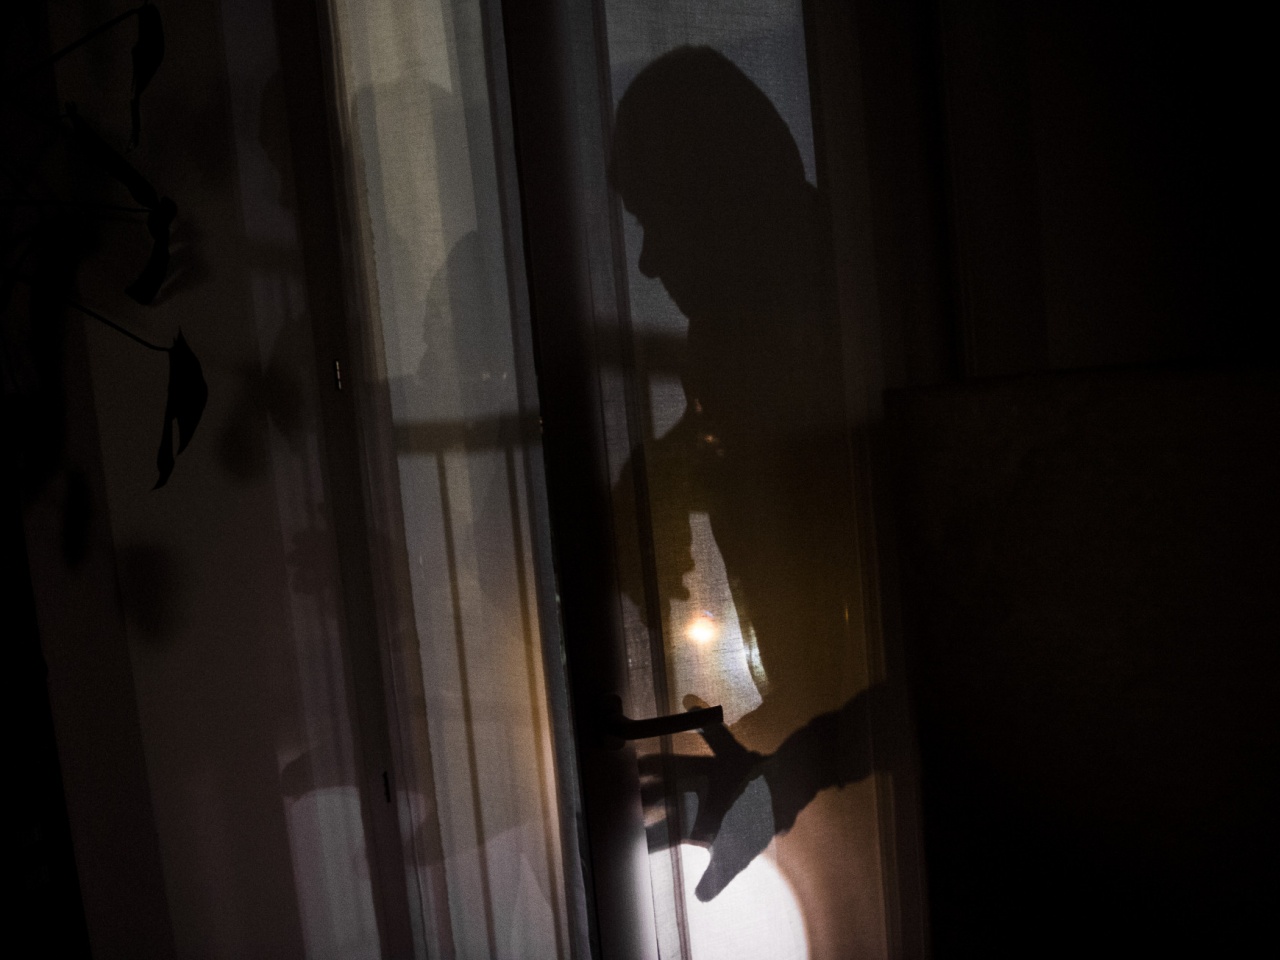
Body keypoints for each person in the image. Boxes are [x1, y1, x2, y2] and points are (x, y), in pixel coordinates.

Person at [610, 46, 886, 900]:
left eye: (659, 217)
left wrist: (787, 774)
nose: (648, 261)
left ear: (718, 203)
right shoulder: (754, 336)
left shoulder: (842, 334)